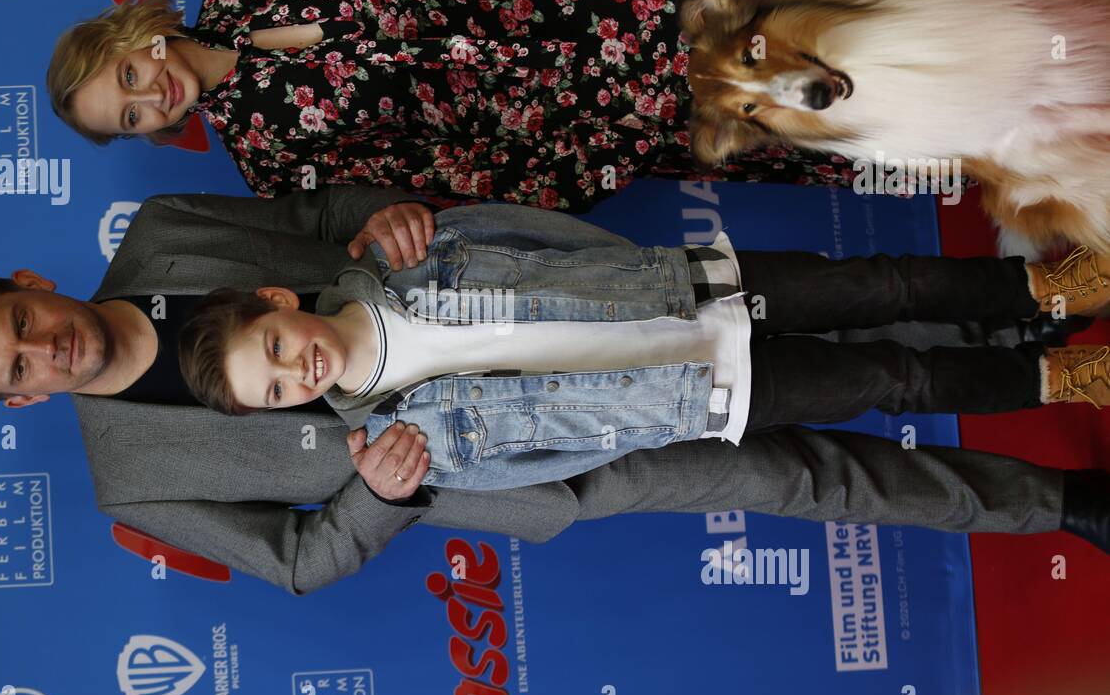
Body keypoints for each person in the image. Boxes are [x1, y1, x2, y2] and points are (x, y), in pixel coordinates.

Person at [0, 188, 1110, 593]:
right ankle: (1059, 505)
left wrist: (385, 214)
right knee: (804, 473)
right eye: (20, 368)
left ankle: (1042, 291)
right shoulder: (133, 478)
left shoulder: (167, 229)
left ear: (32, 285)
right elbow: (298, 561)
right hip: (532, 463)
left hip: (515, 301)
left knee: (838, 302)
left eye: (24, 322)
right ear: (22, 402)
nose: (47, 349)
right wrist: (378, 495)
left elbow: (318, 219)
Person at [45, 0, 907, 208]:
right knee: (801, 108)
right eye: (126, 117)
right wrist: (598, 157)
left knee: (806, 1)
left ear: (143, 37)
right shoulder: (273, 162)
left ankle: (986, 5)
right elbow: (448, 175)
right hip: (590, 111)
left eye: (128, 75)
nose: (147, 99)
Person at [175, 202, 1110, 496]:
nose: (297, 370)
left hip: (689, 285)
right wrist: (656, 423)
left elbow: (529, 230)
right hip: (709, 392)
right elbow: (556, 459)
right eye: (275, 391)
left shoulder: (395, 252)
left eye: (274, 345)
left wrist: (642, 268)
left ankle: (1048, 287)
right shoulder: (397, 445)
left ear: (277, 301)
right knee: (895, 380)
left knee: (882, 283)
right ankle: (1062, 376)